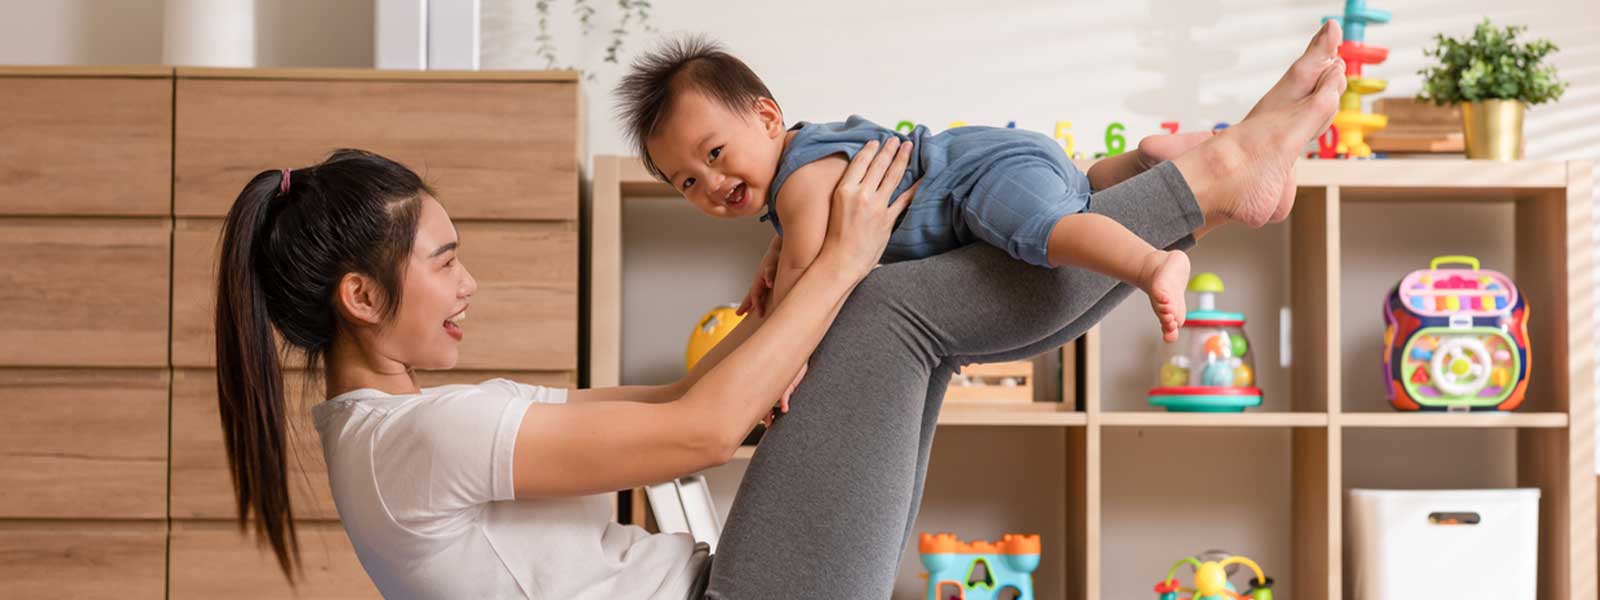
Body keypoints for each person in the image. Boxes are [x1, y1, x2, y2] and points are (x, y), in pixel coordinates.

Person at [211, 20, 1345, 599]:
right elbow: (703, 428)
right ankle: (1205, 180)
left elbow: (679, 405)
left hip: (740, 576)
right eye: (444, 263)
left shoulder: (403, 437)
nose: (467, 288)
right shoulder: (420, 442)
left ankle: (1180, 187)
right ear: (360, 296)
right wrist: (836, 263)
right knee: (887, 311)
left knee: (898, 318)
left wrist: (775, 325)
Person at [617, 21, 1346, 344]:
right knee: (1085, 193)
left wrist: (778, 354)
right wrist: (772, 260)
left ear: (768, 118)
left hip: (979, 180)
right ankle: (1159, 161)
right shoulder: (803, 168)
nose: (712, 182)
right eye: (686, 181)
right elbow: (801, 247)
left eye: (715, 153)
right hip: (1012, 156)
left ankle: (1154, 259)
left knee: (1043, 233)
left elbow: (816, 275)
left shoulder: (803, 180)